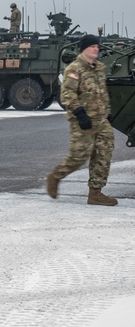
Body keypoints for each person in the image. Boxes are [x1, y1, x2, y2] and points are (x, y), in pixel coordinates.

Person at [46, 34, 116, 206]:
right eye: (92, 46)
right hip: (83, 120)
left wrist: (107, 112)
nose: (96, 48)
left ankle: (95, 193)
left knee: (103, 153)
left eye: (97, 46)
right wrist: (79, 113)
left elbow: (101, 92)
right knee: (79, 156)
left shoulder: (99, 68)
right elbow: (67, 94)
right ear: (84, 49)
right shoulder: (74, 69)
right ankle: (55, 176)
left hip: (101, 121)